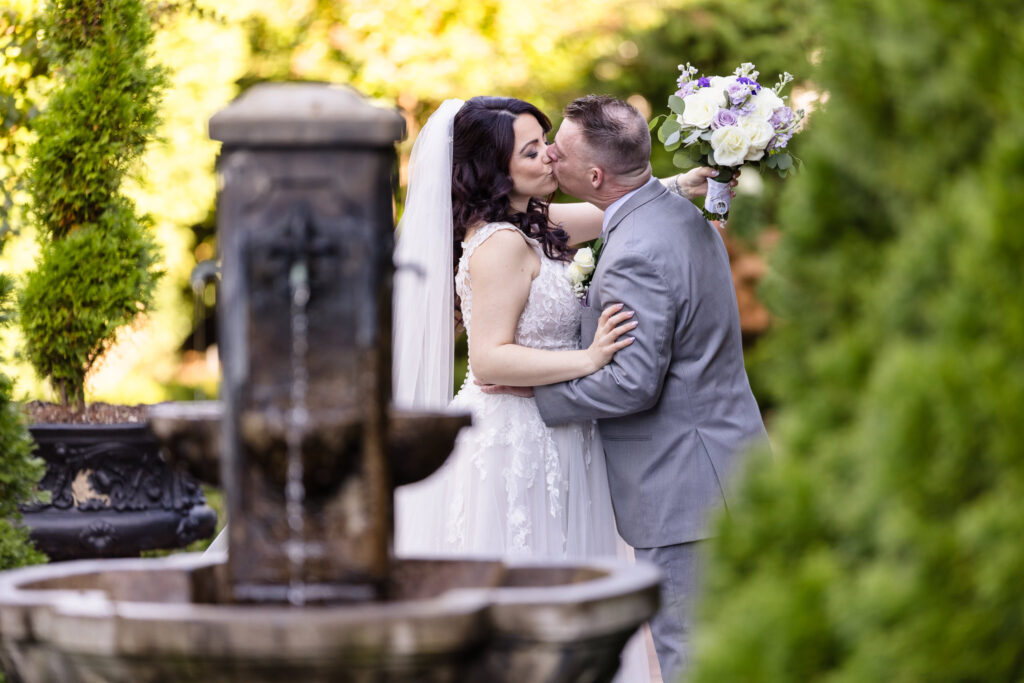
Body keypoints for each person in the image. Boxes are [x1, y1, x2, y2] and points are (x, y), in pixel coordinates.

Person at [392, 96, 729, 682]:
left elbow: (617, 208)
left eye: (545, 139)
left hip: (559, 434)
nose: (549, 153)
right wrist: (590, 357)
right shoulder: (497, 244)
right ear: (496, 171)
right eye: (531, 149)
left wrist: (683, 180)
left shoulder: (537, 225)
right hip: (512, 440)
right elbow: (492, 360)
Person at [484, 95, 767, 680]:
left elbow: (633, 385)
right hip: (724, 464)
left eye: (555, 146)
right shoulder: (667, 212)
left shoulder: (636, 250)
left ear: (593, 176)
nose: (549, 153)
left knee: (692, 655)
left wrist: (538, 396)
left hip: (686, 491)